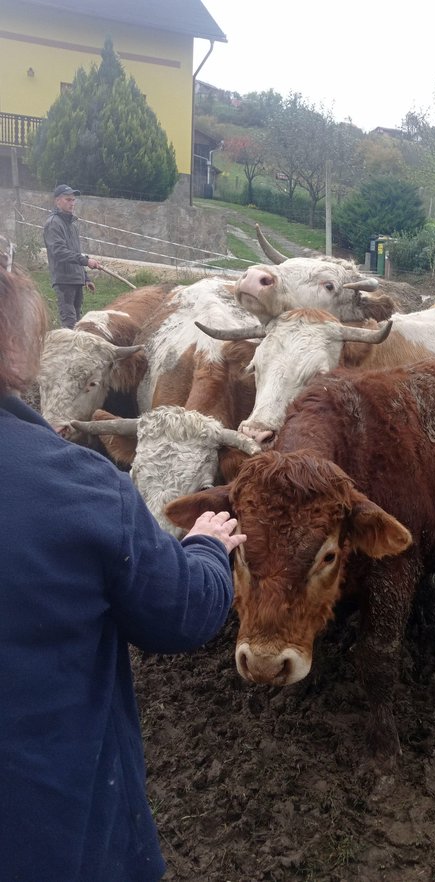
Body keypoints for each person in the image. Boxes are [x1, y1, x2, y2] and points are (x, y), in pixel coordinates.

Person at [0, 265, 247, 881]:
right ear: (27, 355)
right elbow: (180, 615)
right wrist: (209, 548)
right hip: (54, 824)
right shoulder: (79, 485)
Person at [43, 184, 102, 328]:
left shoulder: (72, 225)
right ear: (58, 201)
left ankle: (75, 348)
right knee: (69, 322)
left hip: (76, 279)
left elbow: (76, 252)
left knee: (77, 321)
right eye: (68, 200)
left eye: (73, 200)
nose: (72, 203)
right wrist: (86, 261)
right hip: (64, 280)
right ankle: (66, 349)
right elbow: (59, 252)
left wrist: (85, 277)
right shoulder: (53, 224)